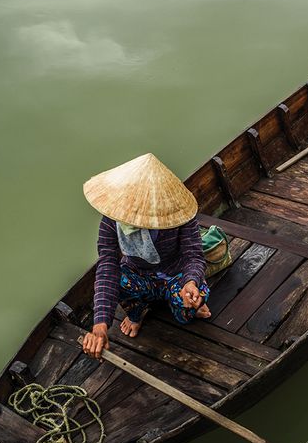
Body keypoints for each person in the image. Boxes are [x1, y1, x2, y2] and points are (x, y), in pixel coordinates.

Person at [80, 153, 211, 361]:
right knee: (117, 279)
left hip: (175, 275)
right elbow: (107, 266)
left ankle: (189, 298)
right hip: (139, 275)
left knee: (188, 308)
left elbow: (193, 256)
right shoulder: (112, 221)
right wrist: (100, 324)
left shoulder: (179, 216)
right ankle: (138, 312)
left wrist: (191, 281)